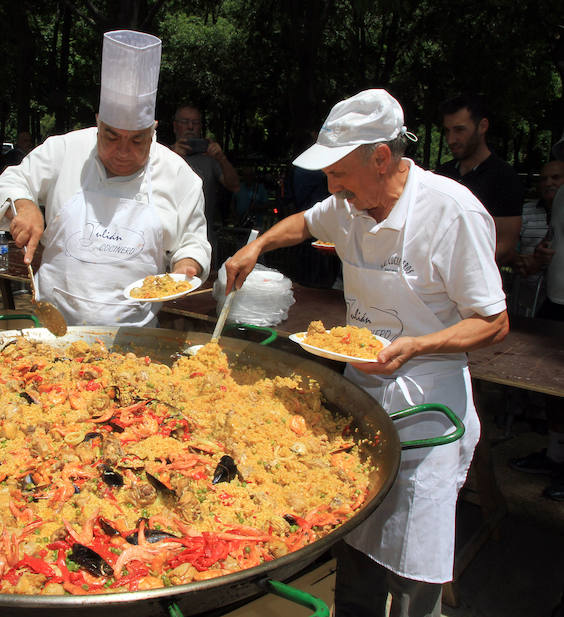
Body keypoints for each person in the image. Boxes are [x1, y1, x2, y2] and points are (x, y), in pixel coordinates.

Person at [224, 89, 508, 617]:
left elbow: (494, 322)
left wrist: (421, 344)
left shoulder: (451, 212)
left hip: (427, 404)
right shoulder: (348, 206)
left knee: (413, 564)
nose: (331, 187)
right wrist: (257, 245)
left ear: (380, 157)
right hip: (360, 396)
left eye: (339, 173)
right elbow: (305, 222)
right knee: (353, 536)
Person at [0, 30, 210, 327]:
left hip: (135, 334)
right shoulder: (65, 149)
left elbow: (193, 241)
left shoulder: (179, 175)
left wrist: (187, 266)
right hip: (54, 329)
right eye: (111, 137)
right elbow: (10, 181)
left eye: (137, 140)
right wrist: (24, 205)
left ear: (153, 130)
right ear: (98, 124)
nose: (123, 152)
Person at [509, 136, 564, 501]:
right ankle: (556, 456)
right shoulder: (558, 203)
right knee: (553, 389)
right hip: (555, 301)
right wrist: (536, 260)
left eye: (557, 175)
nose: (549, 183)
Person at [435, 94, 524, 266]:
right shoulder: (442, 174)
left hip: (476, 276)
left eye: (459, 130)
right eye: (447, 131)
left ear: (482, 126)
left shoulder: (504, 178)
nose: (451, 139)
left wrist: (459, 269)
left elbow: (505, 245)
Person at [171, 104, 240, 256]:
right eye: (185, 122)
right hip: (167, 240)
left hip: (203, 241)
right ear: (175, 126)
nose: (190, 127)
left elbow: (234, 186)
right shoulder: (162, 155)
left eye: (195, 123)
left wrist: (221, 158)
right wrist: (173, 155)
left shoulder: (210, 159)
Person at [509, 160, 564, 316]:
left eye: (555, 177)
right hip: (527, 297)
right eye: (543, 179)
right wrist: (523, 260)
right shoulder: (525, 212)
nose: (549, 183)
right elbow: (511, 250)